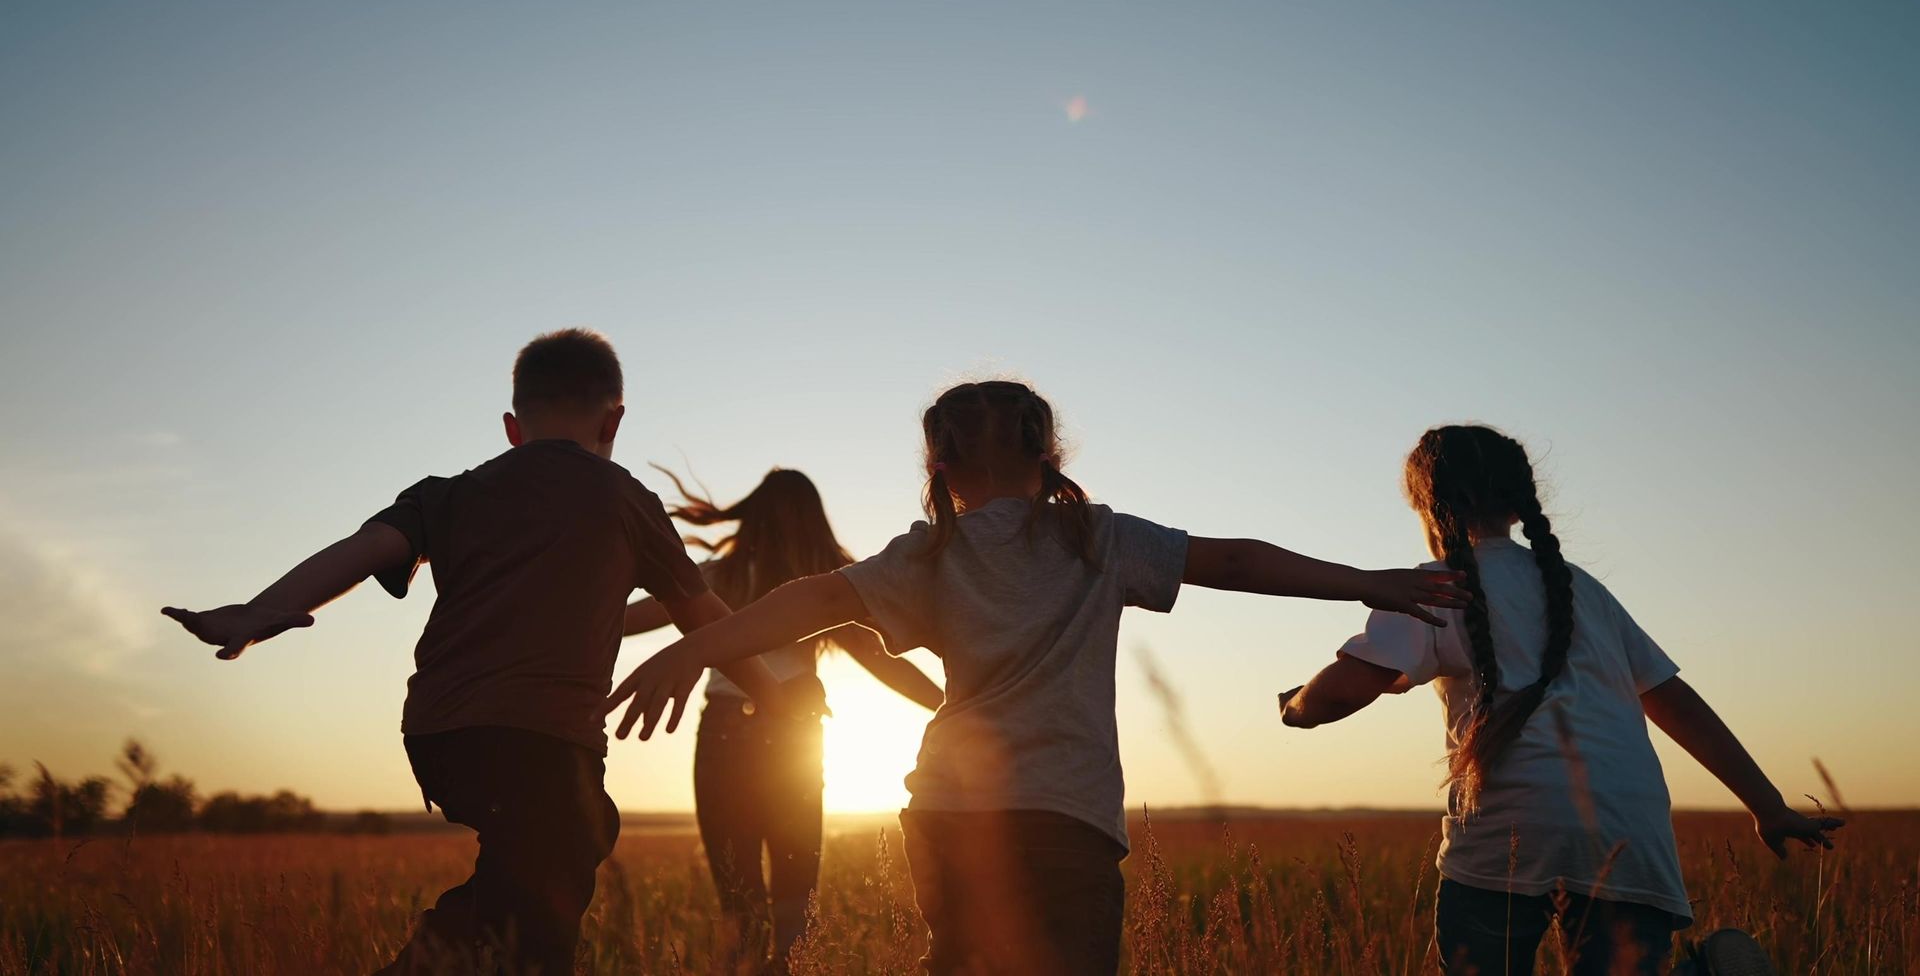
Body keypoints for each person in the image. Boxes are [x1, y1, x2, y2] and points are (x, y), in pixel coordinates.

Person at [604, 379, 1470, 975]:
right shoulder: (1099, 539)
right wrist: (1363, 580)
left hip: (948, 814)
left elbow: (817, 599)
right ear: (1048, 452)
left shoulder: (929, 553)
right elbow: (1235, 559)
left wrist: (690, 649)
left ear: (936, 464)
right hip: (1066, 818)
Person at [160, 328, 790, 976]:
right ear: (615, 419)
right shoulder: (625, 499)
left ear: (513, 427)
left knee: (536, 867)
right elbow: (707, 621)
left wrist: (260, 610)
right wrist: (777, 696)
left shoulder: (448, 494)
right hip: (544, 739)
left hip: (440, 735)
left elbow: (363, 547)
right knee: (556, 870)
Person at [1279, 424, 1844, 976]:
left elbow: (1346, 690)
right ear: (1522, 504)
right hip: (1629, 829)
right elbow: (1673, 699)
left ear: (1426, 503)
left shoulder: (1432, 586)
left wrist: (1295, 706)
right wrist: (1766, 805)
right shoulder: (1580, 588)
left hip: (1508, 832)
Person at [621, 466, 944, 970]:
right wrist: (954, 705)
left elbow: (624, 622)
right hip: (795, 736)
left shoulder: (714, 579)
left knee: (738, 902)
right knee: (795, 899)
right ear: (814, 523)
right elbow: (885, 664)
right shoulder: (825, 589)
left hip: (726, 736)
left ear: (751, 518)